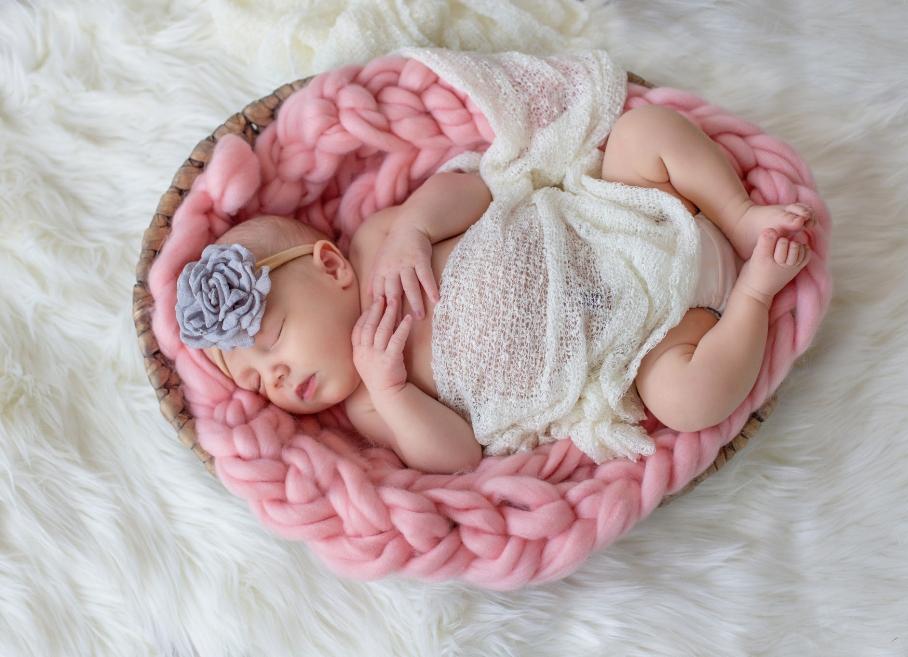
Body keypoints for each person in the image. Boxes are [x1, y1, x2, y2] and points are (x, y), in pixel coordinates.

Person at [176, 104, 814, 475]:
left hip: (619, 221)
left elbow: (478, 188)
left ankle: (736, 215)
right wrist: (395, 389)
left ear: (330, 267)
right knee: (686, 398)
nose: (278, 379)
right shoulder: (372, 401)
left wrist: (417, 229)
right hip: (643, 342)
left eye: (274, 341)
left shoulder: (380, 242)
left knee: (644, 133)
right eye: (260, 384)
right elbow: (454, 456)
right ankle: (755, 295)